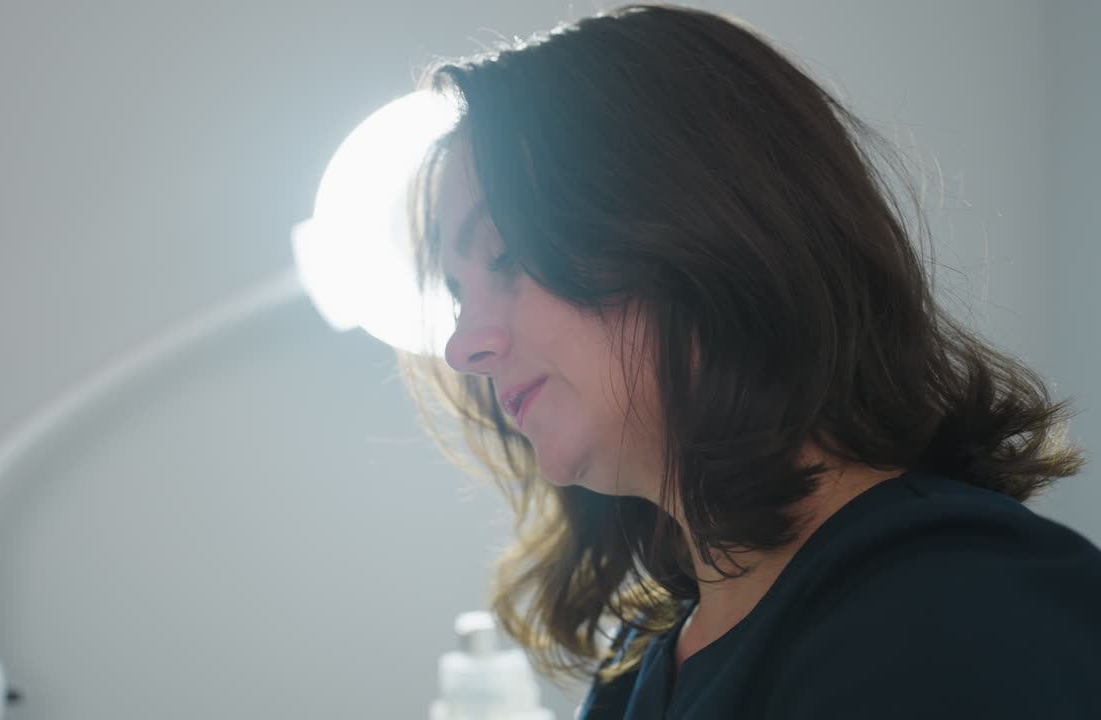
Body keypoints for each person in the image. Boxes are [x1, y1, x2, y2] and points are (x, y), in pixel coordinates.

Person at [397, 3, 1101, 718]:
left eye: (506, 257)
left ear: (695, 224)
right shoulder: (637, 667)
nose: (465, 347)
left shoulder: (966, 609)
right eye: (459, 294)